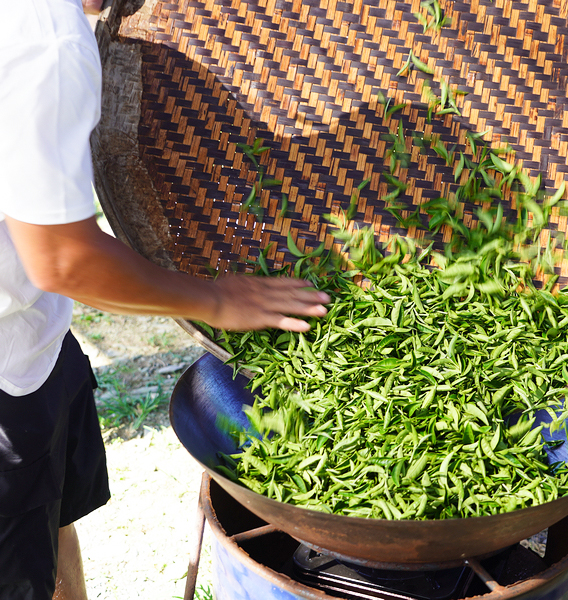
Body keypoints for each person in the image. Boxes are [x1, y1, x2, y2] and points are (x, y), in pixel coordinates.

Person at [0, 1, 330, 598]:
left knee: (50, 522)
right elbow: (62, 258)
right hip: (5, 376)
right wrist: (215, 300)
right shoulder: (47, 36)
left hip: (32, 338)